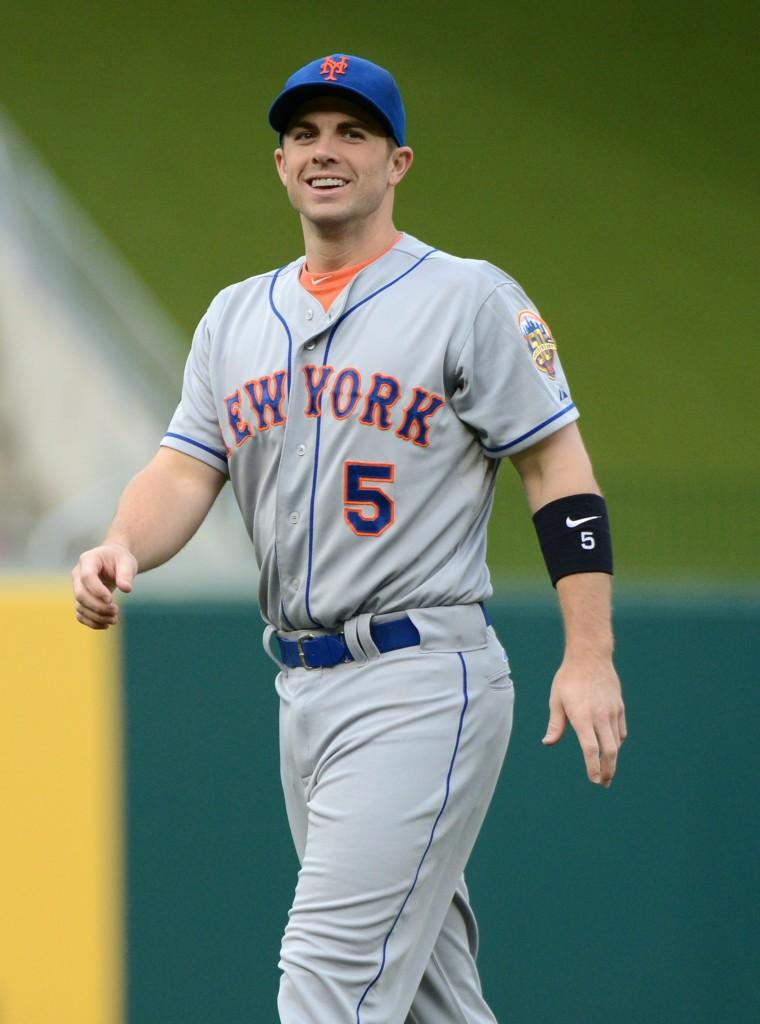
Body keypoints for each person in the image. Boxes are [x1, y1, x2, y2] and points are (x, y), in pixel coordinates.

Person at [72, 54, 626, 1024]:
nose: (325, 151)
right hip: (303, 691)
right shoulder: (235, 317)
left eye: (352, 133)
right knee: (426, 1001)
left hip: (421, 676)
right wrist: (121, 540)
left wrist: (589, 652)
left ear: (397, 162)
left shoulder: (467, 298)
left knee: (326, 983)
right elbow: (182, 469)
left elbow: (555, 467)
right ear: (280, 164)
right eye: (305, 134)